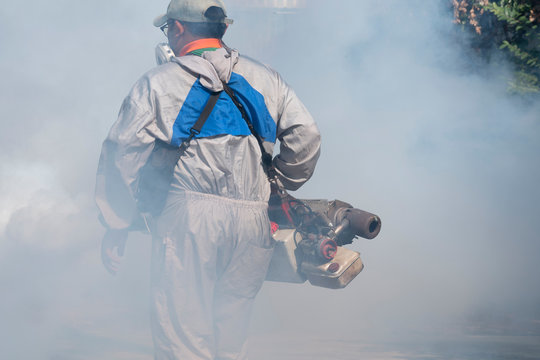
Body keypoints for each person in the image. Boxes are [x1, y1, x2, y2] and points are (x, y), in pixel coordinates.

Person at [95, 0, 321, 358]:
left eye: (167, 27)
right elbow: (306, 135)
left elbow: (122, 152)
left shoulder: (159, 82)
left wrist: (117, 222)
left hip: (190, 220)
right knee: (229, 341)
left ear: (178, 29)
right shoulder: (267, 78)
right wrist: (280, 179)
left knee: (183, 340)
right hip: (253, 222)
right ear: (224, 29)